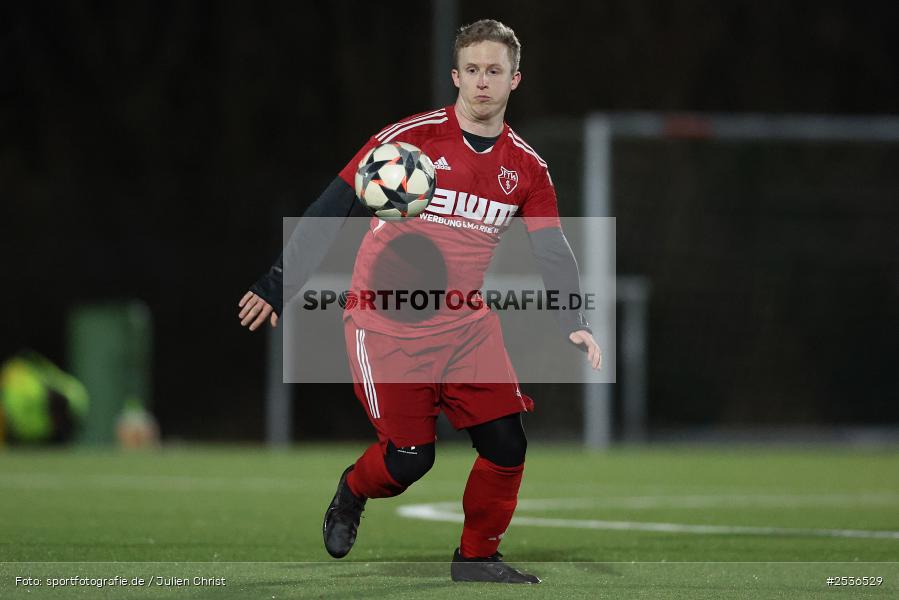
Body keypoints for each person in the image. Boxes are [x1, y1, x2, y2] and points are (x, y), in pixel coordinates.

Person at [238, 19, 601, 584]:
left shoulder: (527, 169)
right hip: (385, 324)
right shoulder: (412, 140)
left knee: (506, 442)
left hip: (466, 325)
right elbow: (333, 206)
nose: (483, 82)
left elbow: (552, 248)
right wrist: (278, 283)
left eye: (495, 71)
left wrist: (572, 319)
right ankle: (352, 491)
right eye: (473, 70)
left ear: (515, 80)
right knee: (411, 459)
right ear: (456, 76)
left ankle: (476, 559)